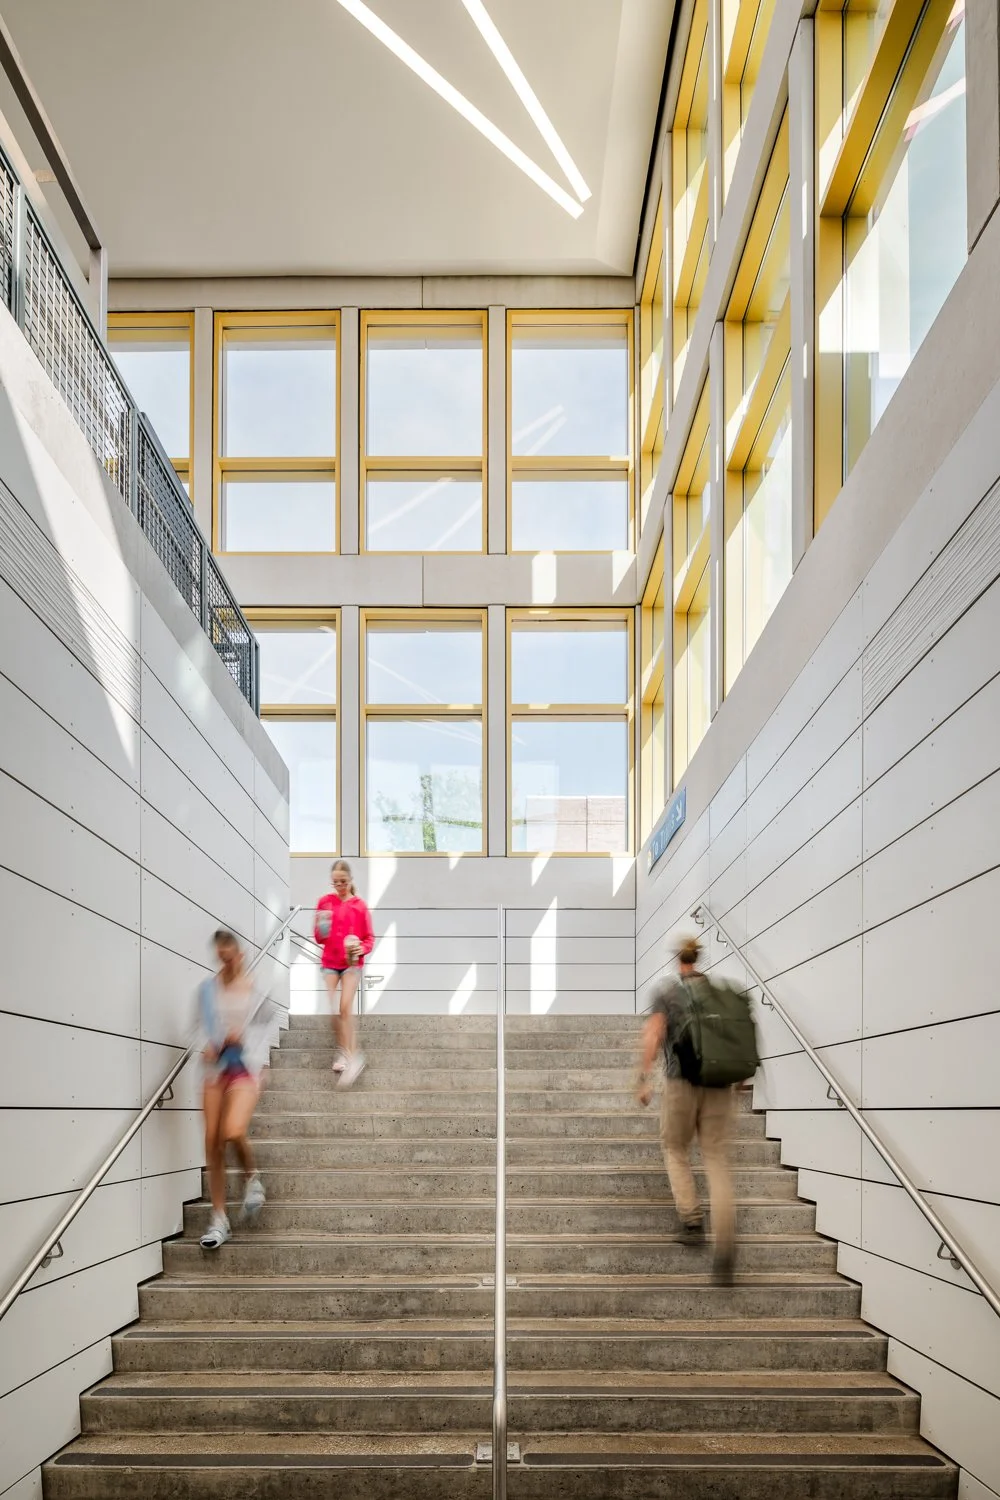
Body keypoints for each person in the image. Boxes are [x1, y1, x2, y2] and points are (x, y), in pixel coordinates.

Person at [637, 937, 737, 1285]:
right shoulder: (720, 994)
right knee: (715, 1159)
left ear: (678, 959)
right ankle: (725, 1248)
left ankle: (692, 1221)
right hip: (719, 1086)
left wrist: (643, 1078)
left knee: (675, 1148)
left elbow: (653, 1034)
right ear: (699, 958)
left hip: (681, 1084)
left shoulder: (667, 992)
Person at [195, 929, 277, 1251]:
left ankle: (251, 1177)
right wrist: (206, 1047)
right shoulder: (207, 991)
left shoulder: (256, 990)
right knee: (212, 1142)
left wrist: (258, 1056)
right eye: (220, 958)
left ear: (240, 955)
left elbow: (268, 1030)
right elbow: (197, 1030)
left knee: (233, 1130)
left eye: (230, 958)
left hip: (244, 1068)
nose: (225, 964)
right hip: (216, 1071)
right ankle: (218, 1219)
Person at [314, 859, 374, 1088]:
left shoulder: (359, 906)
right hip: (330, 961)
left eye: (343, 882)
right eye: (335, 882)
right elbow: (319, 937)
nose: (339, 886)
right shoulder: (325, 902)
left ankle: (353, 1055)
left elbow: (369, 938)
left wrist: (363, 948)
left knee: (345, 1007)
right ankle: (343, 1051)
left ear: (350, 881)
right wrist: (322, 925)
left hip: (351, 962)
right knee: (332, 1009)